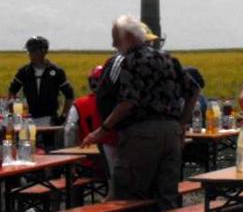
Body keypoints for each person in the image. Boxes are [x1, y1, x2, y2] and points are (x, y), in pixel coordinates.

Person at [81, 15, 199, 211]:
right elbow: (194, 90)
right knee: (166, 196)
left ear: (126, 37)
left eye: (115, 38)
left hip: (142, 135)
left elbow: (128, 102)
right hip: (171, 132)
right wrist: (182, 124)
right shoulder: (167, 58)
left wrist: (102, 130)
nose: (113, 43)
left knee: (129, 197)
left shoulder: (131, 61)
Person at [8, 36, 74, 126]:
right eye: (29, 51)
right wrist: (14, 110)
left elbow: (69, 95)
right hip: (28, 120)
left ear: (43, 51)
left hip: (50, 119)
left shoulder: (57, 71)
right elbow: (12, 90)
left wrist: (63, 116)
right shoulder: (24, 71)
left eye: (33, 51)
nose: (30, 54)